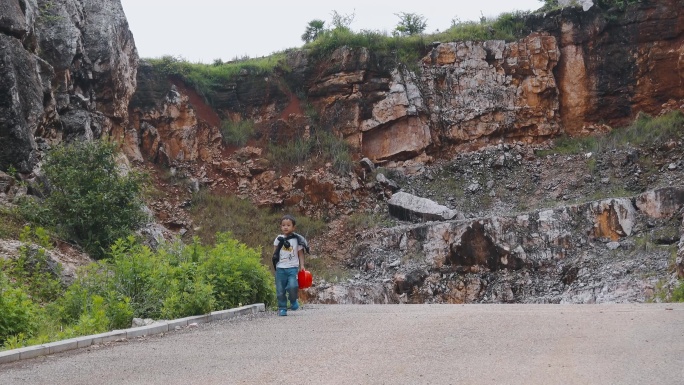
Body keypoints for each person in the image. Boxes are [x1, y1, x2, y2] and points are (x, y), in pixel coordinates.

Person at [273, 214, 306, 316]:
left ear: (293, 227)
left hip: (292, 268)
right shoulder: (278, 239)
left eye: (288, 225)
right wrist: (275, 265)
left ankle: (293, 301)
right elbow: (275, 253)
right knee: (280, 290)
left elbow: (300, 254)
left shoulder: (297, 239)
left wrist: (302, 265)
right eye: (283, 225)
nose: (285, 227)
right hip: (280, 268)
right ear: (280, 227)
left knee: (293, 286)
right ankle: (282, 308)